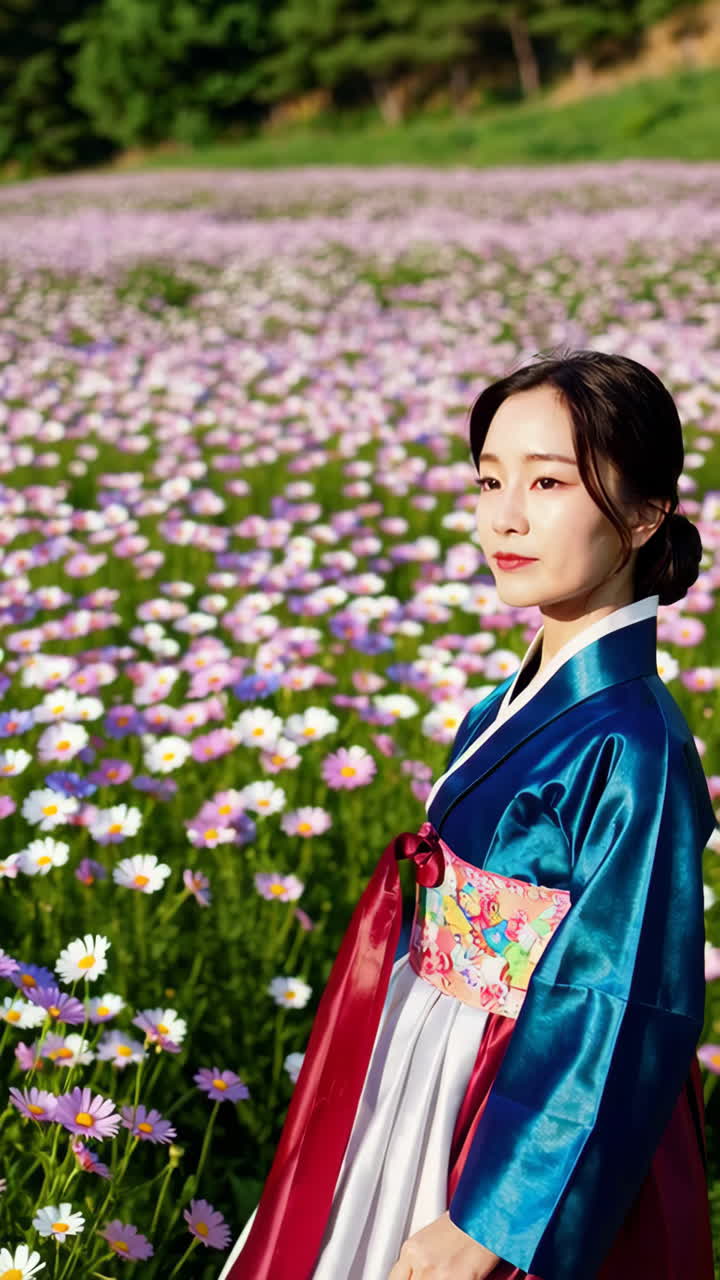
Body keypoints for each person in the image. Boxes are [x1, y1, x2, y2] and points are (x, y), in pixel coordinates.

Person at [219, 349, 717, 1280]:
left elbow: (618, 1003)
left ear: (646, 513)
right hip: (432, 1048)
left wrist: (494, 1220)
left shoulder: (634, 746)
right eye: (490, 480)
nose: (505, 517)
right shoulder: (505, 704)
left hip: (530, 1099)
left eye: (548, 482)